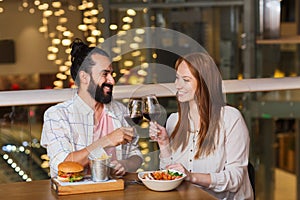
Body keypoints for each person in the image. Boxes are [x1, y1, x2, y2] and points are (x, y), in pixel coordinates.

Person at [149, 52, 254, 199]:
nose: (177, 85)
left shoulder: (230, 118)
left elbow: (235, 179)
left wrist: (191, 176)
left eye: (186, 80)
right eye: (177, 78)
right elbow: (170, 175)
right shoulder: (174, 120)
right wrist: (164, 144)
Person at [41, 38, 143, 178]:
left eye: (111, 74)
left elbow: (136, 155)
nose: (112, 81)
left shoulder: (120, 111)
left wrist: (125, 164)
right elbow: (62, 165)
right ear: (84, 77)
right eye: (104, 74)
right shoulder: (57, 115)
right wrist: (107, 140)